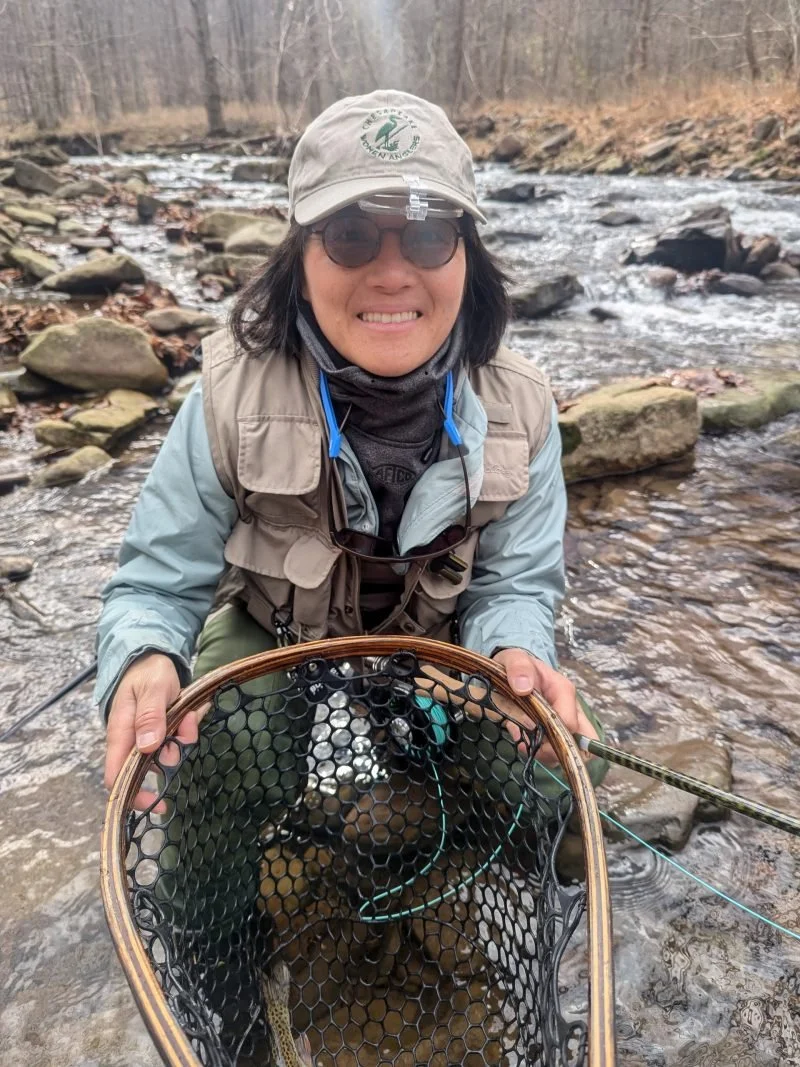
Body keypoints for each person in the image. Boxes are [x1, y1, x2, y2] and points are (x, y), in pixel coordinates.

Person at [98, 89, 605, 800]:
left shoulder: (522, 404)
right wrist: (144, 655)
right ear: (299, 260)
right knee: (214, 751)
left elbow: (515, 584)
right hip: (277, 638)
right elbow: (154, 582)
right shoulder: (228, 394)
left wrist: (514, 652)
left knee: (559, 768)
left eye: (429, 234)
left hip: (446, 648)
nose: (393, 271)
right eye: (350, 235)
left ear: (467, 255)